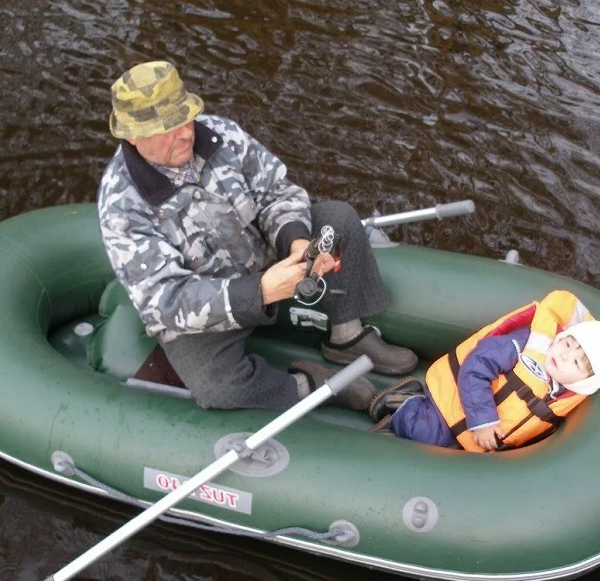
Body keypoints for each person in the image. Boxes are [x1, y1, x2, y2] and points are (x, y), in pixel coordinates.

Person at [97, 60, 418, 412]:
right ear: (133, 136)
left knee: (337, 219)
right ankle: (310, 384)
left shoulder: (220, 135)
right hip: (212, 311)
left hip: (267, 257)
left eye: (186, 118)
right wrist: (260, 291)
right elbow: (167, 300)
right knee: (218, 389)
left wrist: (296, 241)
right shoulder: (121, 206)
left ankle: (347, 337)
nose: (186, 134)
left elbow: (275, 193)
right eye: (169, 128)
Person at [368, 290, 600, 452]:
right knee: (422, 433)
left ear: (584, 383)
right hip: (454, 406)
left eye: (576, 363)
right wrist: (483, 421)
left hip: (475, 444)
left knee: (444, 462)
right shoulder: (526, 344)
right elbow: (477, 366)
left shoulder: (564, 396)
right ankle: (405, 405)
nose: (564, 355)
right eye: (567, 344)